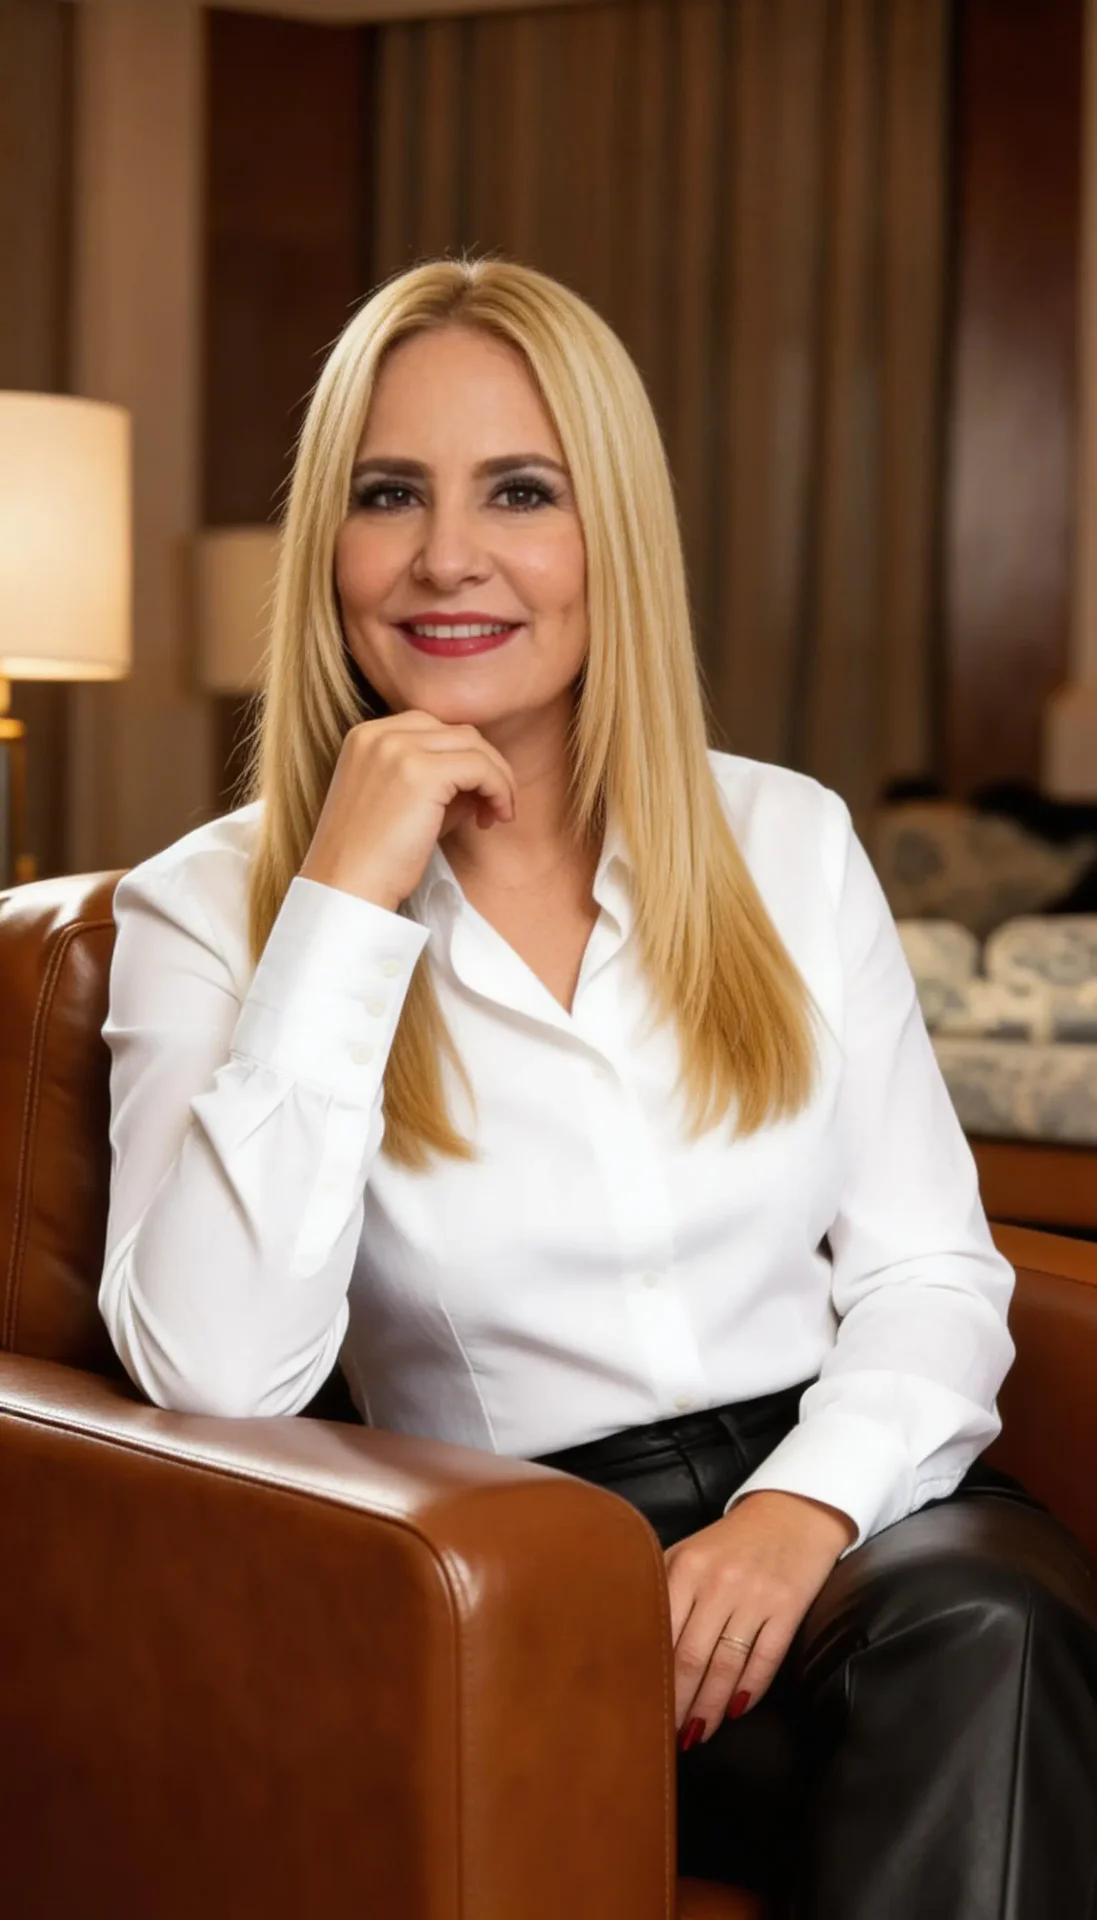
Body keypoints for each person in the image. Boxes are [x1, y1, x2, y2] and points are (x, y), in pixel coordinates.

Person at [99, 255, 1097, 1916]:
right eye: (389, 494)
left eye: (521, 491)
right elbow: (212, 1378)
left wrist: (799, 1511)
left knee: (993, 1632)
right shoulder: (207, 908)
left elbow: (932, 1266)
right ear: (327, 547)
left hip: (863, 1517)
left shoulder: (784, 839)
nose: (447, 555)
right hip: (524, 1572)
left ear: (609, 535)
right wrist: (344, 902)